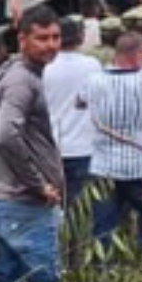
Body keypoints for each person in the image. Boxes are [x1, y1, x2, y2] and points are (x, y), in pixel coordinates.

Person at [0, 6, 65, 282]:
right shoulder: (22, 82)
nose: (51, 45)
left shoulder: (12, 74)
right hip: (26, 204)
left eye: (56, 37)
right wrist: (35, 183)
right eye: (42, 38)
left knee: (6, 276)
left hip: (8, 198)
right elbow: (4, 134)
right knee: (45, 281)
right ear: (23, 39)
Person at [88, 33, 142, 257]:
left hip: (103, 168)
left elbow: (80, 103)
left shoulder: (94, 80)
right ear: (139, 55)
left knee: (103, 224)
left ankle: (102, 267)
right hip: (139, 165)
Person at [44, 18, 103, 215]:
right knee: (82, 212)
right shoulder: (92, 65)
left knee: (54, 208)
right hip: (84, 148)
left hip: (51, 148)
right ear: (80, 37)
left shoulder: (44, 67)